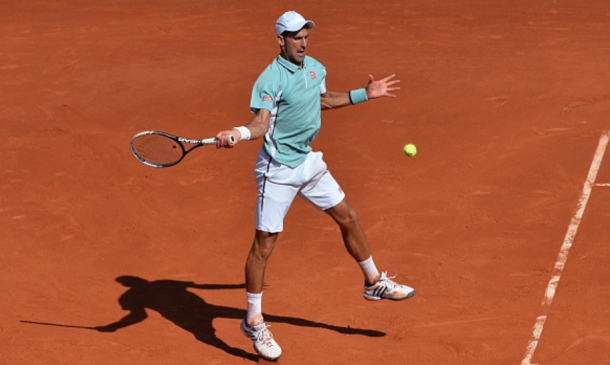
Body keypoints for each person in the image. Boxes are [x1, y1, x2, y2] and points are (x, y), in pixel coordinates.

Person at [215, 11, 415, 361]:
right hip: (277, 169)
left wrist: (364, 94)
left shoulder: (315, 68)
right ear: (281, 40)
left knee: (347, 216)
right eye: (295, 36)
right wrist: (238, 132)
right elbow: (261, 124)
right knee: (264, 245)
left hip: (307, 160)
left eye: (306, 35)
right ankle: (253, 319)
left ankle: (373, 283)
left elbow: (319, 101)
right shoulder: (269, 79)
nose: (303, 41)